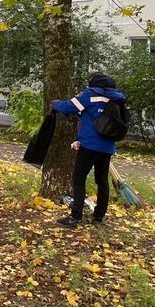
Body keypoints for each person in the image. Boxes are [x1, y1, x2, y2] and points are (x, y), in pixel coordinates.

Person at [50, 72, 127, 227]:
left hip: (89, 145)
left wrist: (55, 103)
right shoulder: (117, 98)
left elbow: (69, 107)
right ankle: (99, 217)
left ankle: (75, 217)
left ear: (94, 83)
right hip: (107, 147)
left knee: (78, 179)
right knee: (102, 181)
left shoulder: (90, 95)